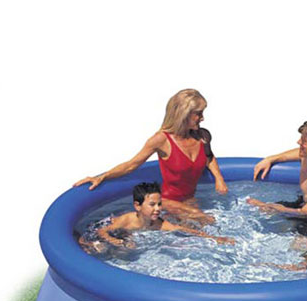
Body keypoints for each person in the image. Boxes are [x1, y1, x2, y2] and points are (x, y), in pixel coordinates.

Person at [74, 89, 227, 224]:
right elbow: (131, 165)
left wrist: (219, 179)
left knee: (201, 231)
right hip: (166, 202)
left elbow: (209, 157)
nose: (202, 118)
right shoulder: (161, 140)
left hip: (189, 199)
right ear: (184, 114)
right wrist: (102, 177)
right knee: (207, 222)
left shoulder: (202, 136)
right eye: (198, 114)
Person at [79, 182, 234, 254]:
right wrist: (113, 240)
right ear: (137, 206)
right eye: (152, 205)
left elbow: (183, 229)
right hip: (102, 228)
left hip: (123, 233)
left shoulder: (158, 223)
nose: (158, 208)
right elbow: (101, 231)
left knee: (128, 250)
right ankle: (82, 241)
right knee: (98, 249)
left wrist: (215, 238)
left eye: (159, 204)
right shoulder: (127, 219)